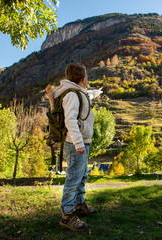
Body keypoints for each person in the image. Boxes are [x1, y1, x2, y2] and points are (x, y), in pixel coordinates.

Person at [53, 63, 102, 231]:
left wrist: (96, 93)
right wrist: (79, 143)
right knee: (73, 178)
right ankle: (67, 215)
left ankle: (79, 204)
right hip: (76, 144)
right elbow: (70, 120)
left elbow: (87, 94)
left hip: (81, 143)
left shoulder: (76, 92)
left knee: (81, 177)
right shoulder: (72, 95)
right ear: (84, 79)